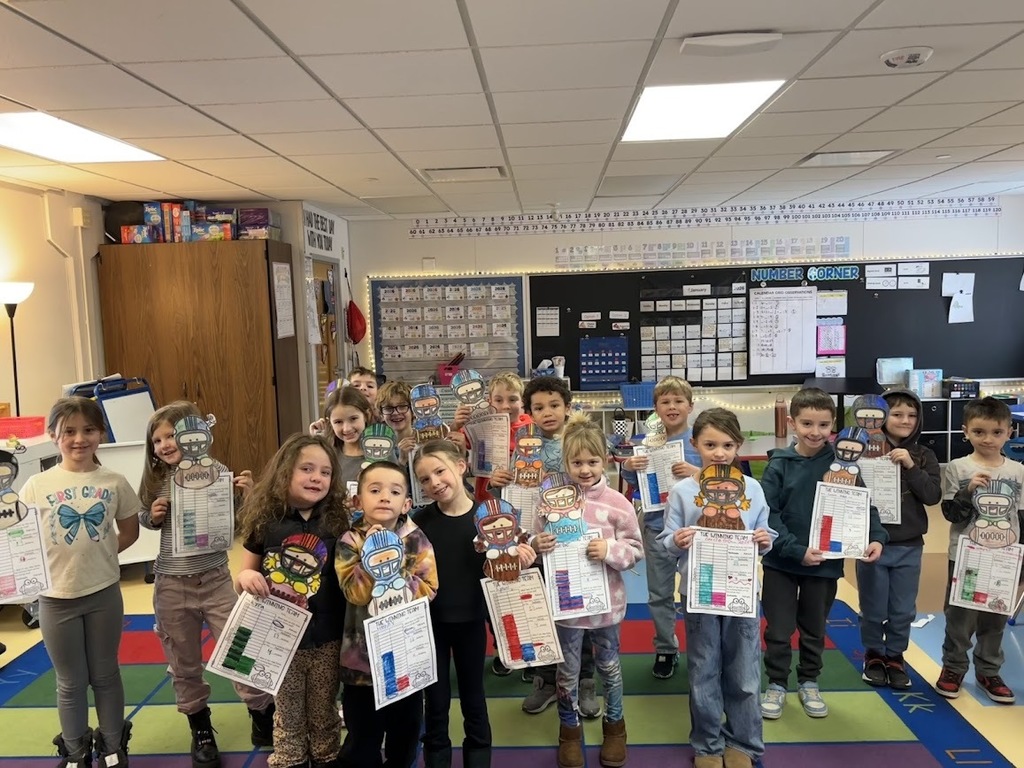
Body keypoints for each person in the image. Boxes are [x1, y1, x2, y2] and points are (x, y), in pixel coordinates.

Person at [139, 401, 274, 767]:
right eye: (158, 439)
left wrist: (245, 495)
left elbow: (235, 524)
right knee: (182, 660)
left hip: (215, 579)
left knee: (242, 649)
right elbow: (143, 516)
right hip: (170, 583)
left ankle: (262, 715)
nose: (165, 444)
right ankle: (200, 727)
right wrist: (151, 516)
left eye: (173, 435)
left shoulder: (217, 473)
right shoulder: (156, 480)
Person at [19, 397, 140, 768]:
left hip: (103, 594)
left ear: (101, 434)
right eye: (69, 431)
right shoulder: (36, 485)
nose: (79, 439)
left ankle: (113, 746)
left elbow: (130, 532)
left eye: (88, 429)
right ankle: (74, 751)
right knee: (70, 682)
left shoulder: (114, 482)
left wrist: (100, 557)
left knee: (105, 673)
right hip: (55, 599)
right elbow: (22, 540)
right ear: (54, 435)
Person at [759, 387, 887, 720]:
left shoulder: (844, 462)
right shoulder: (779, 465)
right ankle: (775, 683)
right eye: (807, 424)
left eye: (823, 425)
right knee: (778, 628)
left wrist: (876, 537)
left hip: (825, 563)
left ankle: (809, 681)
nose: (815, 432)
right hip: (781, 563)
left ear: (834, 426)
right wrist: (794, 550)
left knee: (814, 627)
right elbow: (768, 513)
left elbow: (862, 506)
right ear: (791, 423)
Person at [660, 408, 776, 768]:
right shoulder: (682, 491)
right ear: (694, 445)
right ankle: (708, 744)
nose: (719, 452)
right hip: (699, 589)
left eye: (727, 445)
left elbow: (766, 531)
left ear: (738, 445)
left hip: (741, 590)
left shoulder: (752, 488)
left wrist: (763, 539)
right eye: (710, 444)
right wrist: (677, 540)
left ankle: (743, 742)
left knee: (744, 669)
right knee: (703, 667)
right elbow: (666, 539)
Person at [531, 414, 643, 768]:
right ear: (565, 462)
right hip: (566, 607)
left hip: (606, 605)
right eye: (576, 462)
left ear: (605, 461)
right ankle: (569, 730)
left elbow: (636, 550)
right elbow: (534, 542)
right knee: (567, 672)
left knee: (609, 667)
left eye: (592, 461)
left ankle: (615, 727)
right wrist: (539, 542)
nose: (584, 469)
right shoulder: (549, 500)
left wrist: (609, 550)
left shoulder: (617, 503)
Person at [413, 440, 534, 767]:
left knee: (474, 697)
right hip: (431, 625)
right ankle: (436, 756)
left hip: (472, 623)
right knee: (434, 702)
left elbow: (517, 554)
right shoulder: (418, 522)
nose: (434, 482)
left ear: (461, 466)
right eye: (424, 479)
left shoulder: (492, 514)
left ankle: (478, 754)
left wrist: (523, 556)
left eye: (440, 471)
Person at [236, 434, 349, 768]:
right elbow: (243, 576)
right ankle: (290, 758)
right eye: (307, 469)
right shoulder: (264, 522)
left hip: (327, 637)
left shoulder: (338, 521)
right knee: (287, 712)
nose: (316, 477)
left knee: (324, 707)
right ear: (285, 472)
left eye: (325, 472)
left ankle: (327, 756)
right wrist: (247, 579)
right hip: (280, 640)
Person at [336, 461, 438, 767]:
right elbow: (354, 592)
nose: (384, 497)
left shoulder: (416, 538)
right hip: (360, 662)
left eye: (394, 491)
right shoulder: (350, 541)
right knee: (362, 736)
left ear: (406, 503)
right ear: (358, 500)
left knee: (405, 733)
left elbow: (430, 588)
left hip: (406, 655)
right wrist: (372, 554)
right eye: (375, 490)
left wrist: (396, 569)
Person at [518, 377, 600, 717]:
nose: (547, 412)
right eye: (538, 407)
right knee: (543, 614)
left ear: (568, 407)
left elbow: (596, 481)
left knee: (578, 612)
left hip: (576, 543)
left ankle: (585, 681)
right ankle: (547, 680)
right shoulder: (525, 445)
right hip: (542, 542)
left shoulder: (579, 438)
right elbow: (519, 495)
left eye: (554, 405)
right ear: (529, 413)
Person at [936, 396, 1024, 704]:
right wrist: (968, 489)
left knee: (994, 618)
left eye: (996, 432)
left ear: (1009, 432)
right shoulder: (958, 467)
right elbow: (951, 513)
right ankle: (953, 668)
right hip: (965, 556)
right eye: (980, 431)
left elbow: (1021, 516)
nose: (988, 439)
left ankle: (989, 670)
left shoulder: (1018, 471)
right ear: (966, 432)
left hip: (1004, 558)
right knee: (960, 617)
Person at [856, 389, 941, 689]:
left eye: (912, 415)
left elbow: (932, 496)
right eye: (897, 414)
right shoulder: (863, 449)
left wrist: (910, 465)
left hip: (909, 546)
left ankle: (895, 656)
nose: (905, 420)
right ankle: (874, 654)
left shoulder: (923, 455)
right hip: (871, 543)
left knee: (903, 609)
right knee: (873, 607)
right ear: (880, 417)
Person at [619, 375, 701, 678]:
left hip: (695, 531)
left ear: (690, 406)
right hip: (657, 526)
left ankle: (701, 647)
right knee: (659, 594)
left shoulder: (700, 440)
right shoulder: (645, 443)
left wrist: (697, 471)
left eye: (678, 401)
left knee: (694, 593)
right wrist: (628, 468)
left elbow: (723, 477)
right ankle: (666, 648)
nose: (672, 406)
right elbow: (635, 483)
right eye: (665, 401)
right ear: (655, 408)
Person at [376, 380, 416, 464]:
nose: (396, 412)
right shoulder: (379, 449)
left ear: (413, 411)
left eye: (402, 406)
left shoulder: (424, 441)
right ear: (381, 414)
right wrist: (402, 461)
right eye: (388, 408)